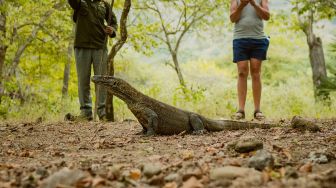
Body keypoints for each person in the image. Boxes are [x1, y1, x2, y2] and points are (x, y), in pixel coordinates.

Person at [67, 0, 118, 121]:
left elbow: (114, 23)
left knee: (101, 81)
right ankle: (86, 113)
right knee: (83, 80)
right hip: (81, 46)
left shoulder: (105, 5)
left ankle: (102, 113)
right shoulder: (79, 2)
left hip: (100, 47)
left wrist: (112, 30)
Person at [230, 0, 270, 120]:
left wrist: (253, 4)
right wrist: (242, 4)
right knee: (242, 72)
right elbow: (232, 18)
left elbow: (267, 16)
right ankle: (241, 111)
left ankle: (257, 110)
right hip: (240, 39)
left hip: (258, 39)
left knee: (256, 73)